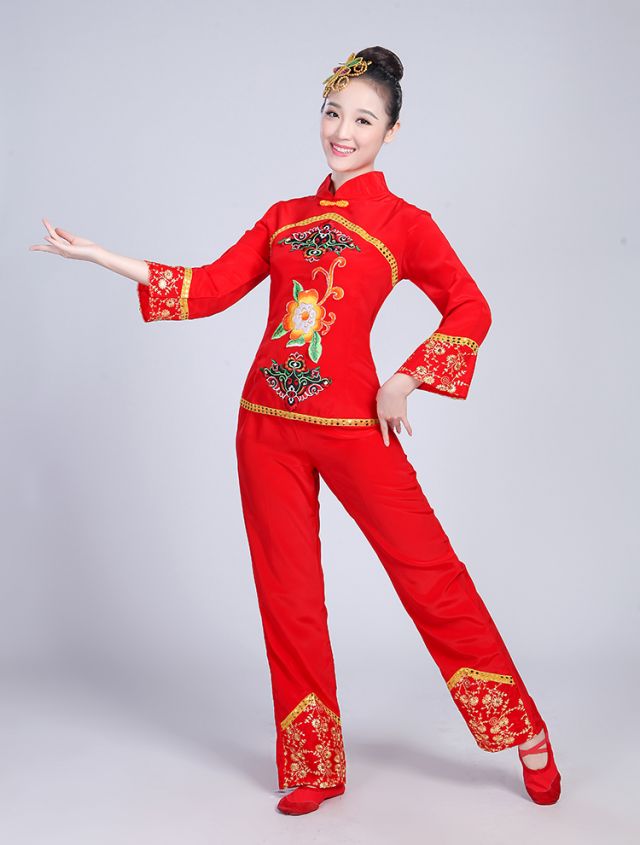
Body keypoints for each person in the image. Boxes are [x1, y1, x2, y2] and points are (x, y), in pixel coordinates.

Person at [29, 45, 561, 815]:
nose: (343, 131)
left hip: (354, 428)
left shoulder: (407, 225)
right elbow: (210, 288)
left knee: (432, 578)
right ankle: (316, 764)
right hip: (265, 429)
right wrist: (102, 257)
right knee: (289, 598)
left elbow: (470, 305)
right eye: (334, 113)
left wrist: (406, 376)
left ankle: (525, 730)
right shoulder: (285, 218)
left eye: (364, 120)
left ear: (391, 133)